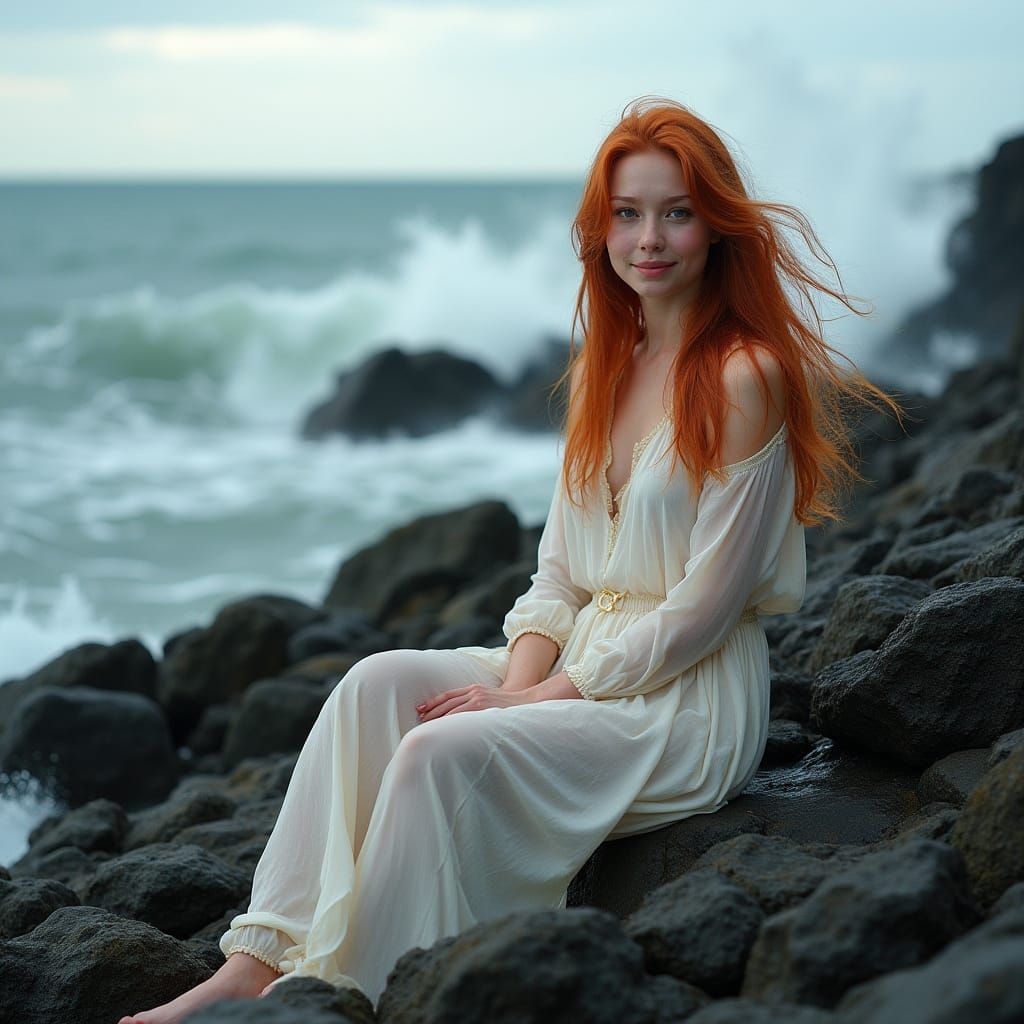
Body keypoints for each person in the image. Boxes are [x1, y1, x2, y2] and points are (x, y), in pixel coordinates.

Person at [118, 97, 902, 1023]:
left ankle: (349, 998)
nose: (648, 238)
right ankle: (253, 970)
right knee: (374, 687)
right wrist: (517, 682)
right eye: (627, 213)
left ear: (715, 227)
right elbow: (560, 579)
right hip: (580, 668)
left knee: (441, 752)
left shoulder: (745, 375)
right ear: (600, 228)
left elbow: (703, 608)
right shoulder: (606, 368)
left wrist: (526, 704)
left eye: (676, 212)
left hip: (687, 698)